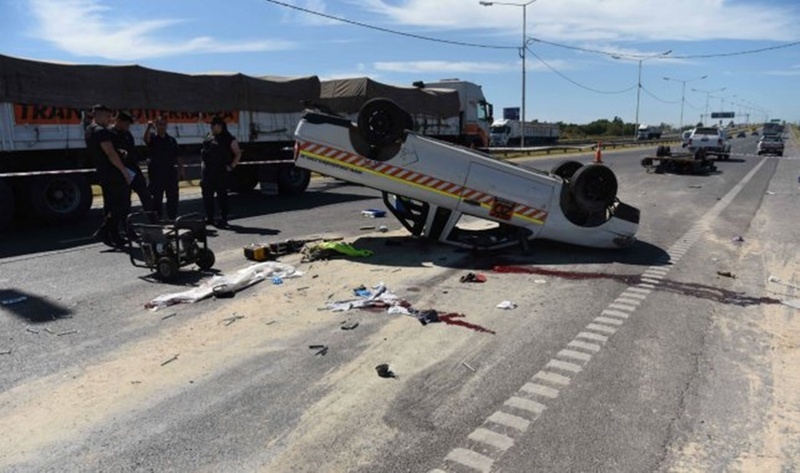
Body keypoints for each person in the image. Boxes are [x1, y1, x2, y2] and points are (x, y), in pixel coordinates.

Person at [85, 104, 132, 247]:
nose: (109, 119)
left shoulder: (89, 130)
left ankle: (114, 235)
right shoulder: (101, 132)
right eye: (107, 116)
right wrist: (124, 171)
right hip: (113, 174)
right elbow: (111, 154)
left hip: (103, 173)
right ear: (98, 114)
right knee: (122, 205)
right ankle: (105, 230)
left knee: (111, 206)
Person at [109, 110, 154, 215]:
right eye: (126, 124)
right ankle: (127, 226)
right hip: (121, 170)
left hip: (133, 168)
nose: (128, 126)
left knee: (145, 194)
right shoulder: (111, 134)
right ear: (118, 121)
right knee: (125, 200)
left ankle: (153, 219)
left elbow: (132, 150)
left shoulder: (127, 134)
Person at [201, 116, 241, 228]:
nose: (211, 127)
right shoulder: (208, 138)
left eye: (213, 125)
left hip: (221, 172)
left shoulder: (229, 138)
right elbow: (204, 156)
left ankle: (224, 218)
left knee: (222, 196)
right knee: (207, 196)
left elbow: (238, 153)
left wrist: (231, 166)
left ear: (220, 126)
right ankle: (210, 218)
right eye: (211, 125)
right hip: (208, 172)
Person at [144, 116, 183, 220]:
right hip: (156, 174)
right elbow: (146, 139)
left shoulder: (171, 140)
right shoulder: (153, 138)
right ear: (156, 125)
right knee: (157, 197)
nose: (162, 127)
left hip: (170, 173)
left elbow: (178, 155)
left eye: (164, 124)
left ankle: (172, 217)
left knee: (173, 197)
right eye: (160, 124)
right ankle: (158, 218)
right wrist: (148, 127)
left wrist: (181, 170)